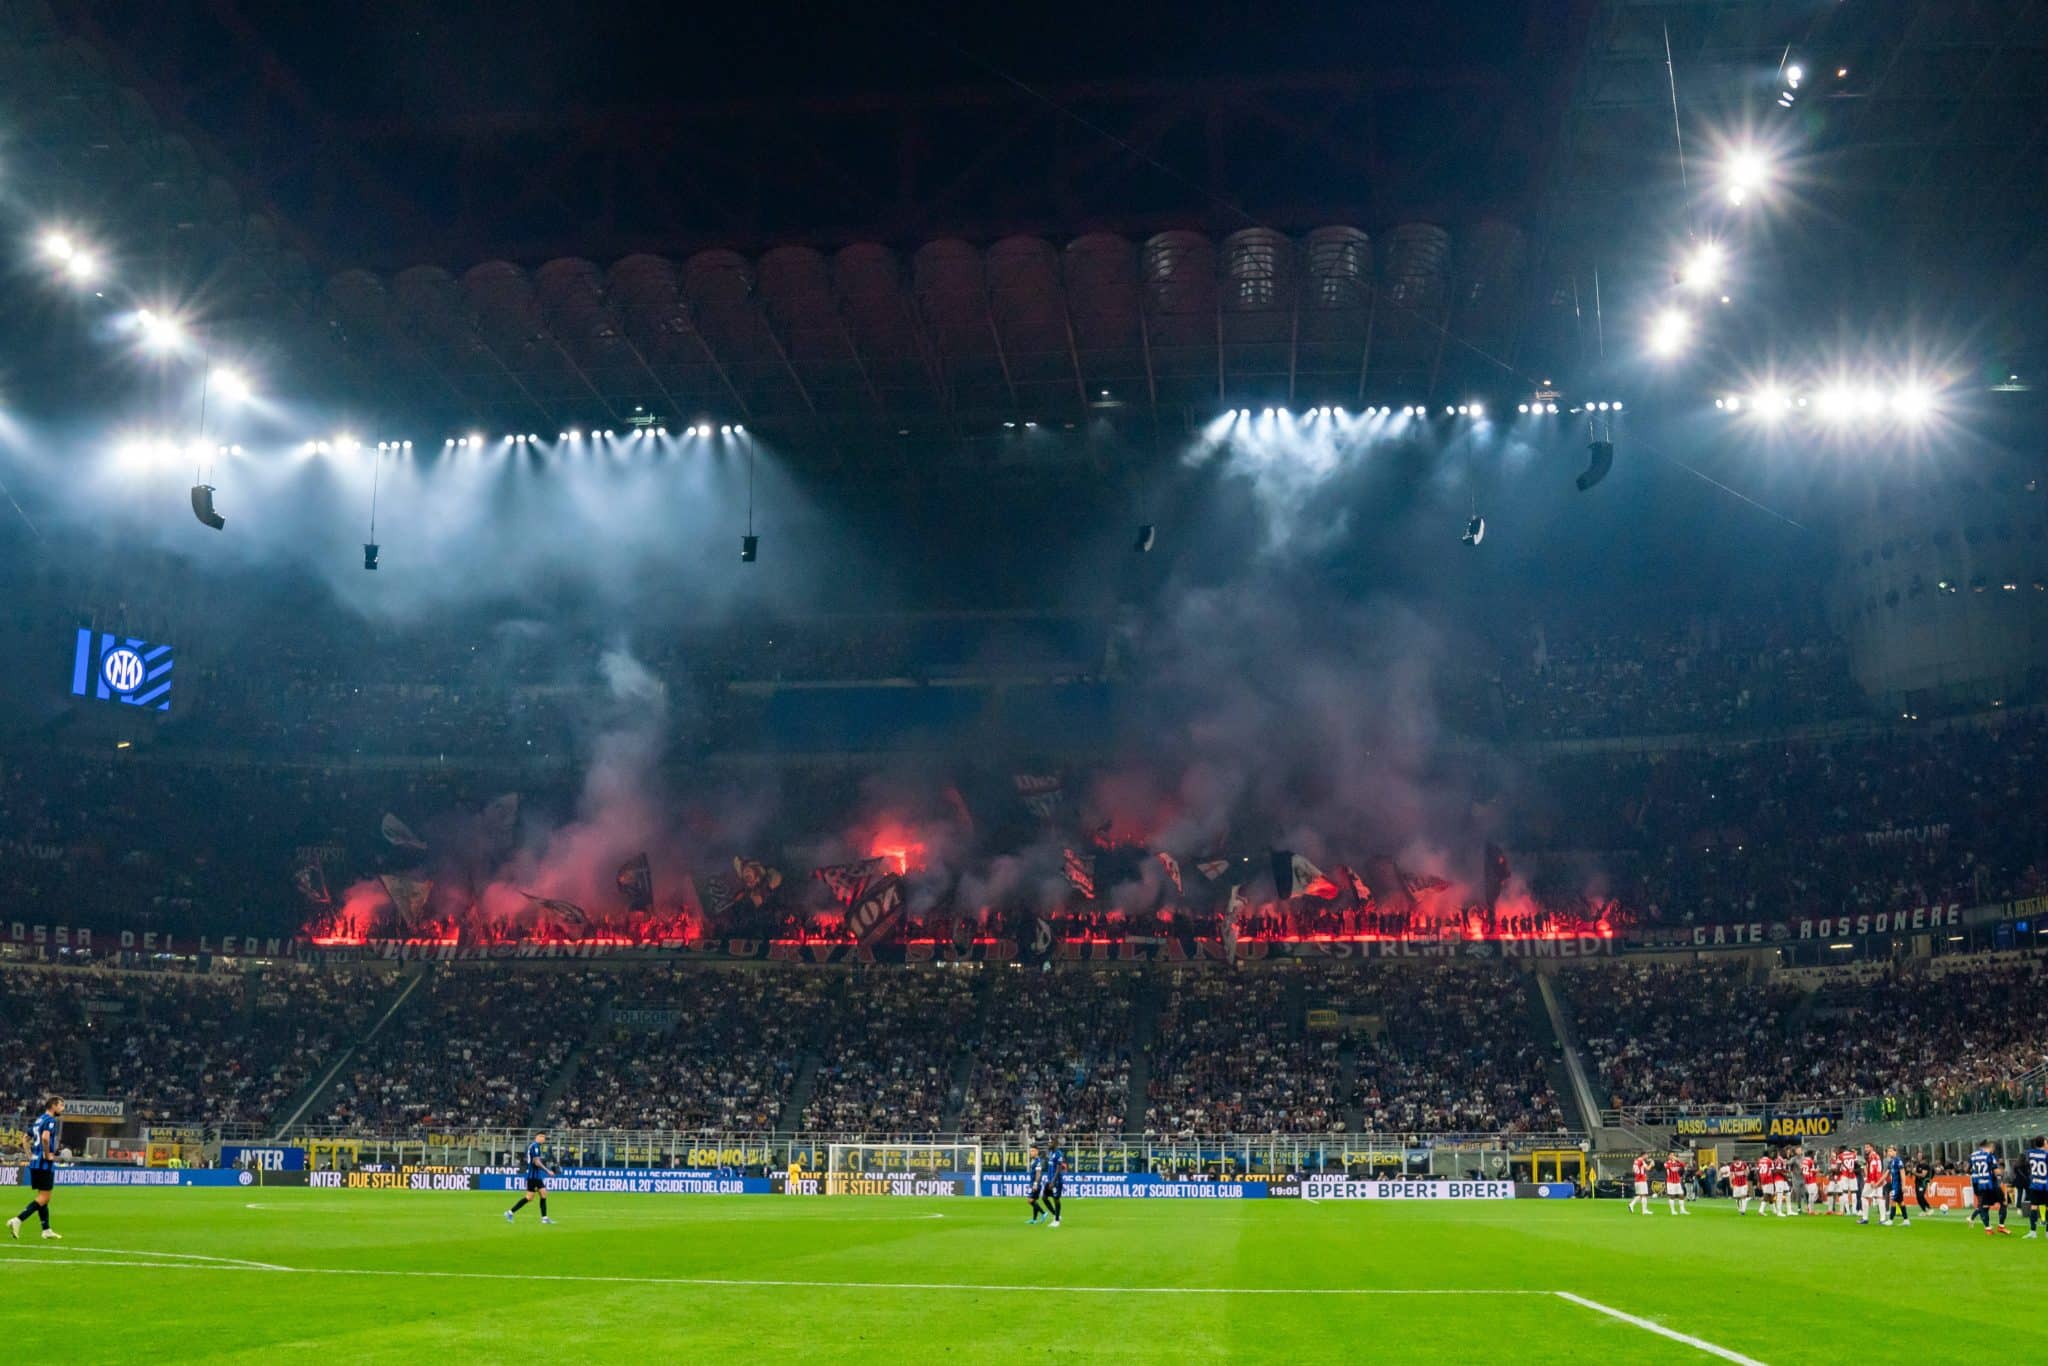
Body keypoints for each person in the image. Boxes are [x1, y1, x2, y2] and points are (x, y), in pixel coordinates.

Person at [7, 1097, 64, 1241]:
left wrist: (30, 1156)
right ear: (53, 1106)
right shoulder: (51, 1121)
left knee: (42, 1198)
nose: (62, 1108)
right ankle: (18, 1220)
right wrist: (47, 1155)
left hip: (35, 1163)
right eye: (61, 1105)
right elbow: (45, 1138)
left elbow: (25, 1138)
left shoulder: (39, 1120)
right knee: (45, 1197)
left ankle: (46, 1230)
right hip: (44, 1164)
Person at [505, 1132, 555, 1225]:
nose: (543, 1139)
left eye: (544, 1137)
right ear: (537, 1137)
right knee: (535, 1196)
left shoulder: (536, 1146)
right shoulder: (535, 1146)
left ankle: (510, 1213)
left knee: (536, 1196)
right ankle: (544, 1218)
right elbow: (536, 1162)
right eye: (541, 1136)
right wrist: (547, 1171)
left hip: (534, 1176)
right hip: (533, 1176)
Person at [1968, 1139, 2009, 1235]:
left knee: (1984, 1206)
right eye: (1992, 1148)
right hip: (1991, 1184)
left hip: (1979, 1184)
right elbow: (1996, 1171)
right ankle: (2001, 1227)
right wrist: (2002, 1172)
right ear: (1989, 1147)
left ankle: (1988, 1229)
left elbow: (1968, 1169)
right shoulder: (1989, 1156)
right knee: (2003, 1202)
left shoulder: (1973, 1156)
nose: (1993, 1150)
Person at [2022, 1136, 2048, 1239]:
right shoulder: (2046, 1154)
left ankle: (2033, 1231)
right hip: (2045, 1185)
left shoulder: (2030, 1153)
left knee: (2034, 1206)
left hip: (2034, 1184)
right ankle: (2047, 1233)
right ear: (2044, 1143)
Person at [1042, 1142, 1067, 1228]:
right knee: (1044, 1197)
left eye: (1050, 1143)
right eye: (1048, 1143)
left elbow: (1058, 1168)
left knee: (1056, 1199)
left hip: (1056, 1181)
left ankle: (1056, 1221)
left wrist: (1053, 1181)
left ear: (1055, 1143)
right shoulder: (1051, 1153)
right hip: (1049, 1180)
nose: (1048, 1144)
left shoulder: (1058, 1153)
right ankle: (1056, 1215)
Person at [1885, 1146, 1910, 1228]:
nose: (1889, 1153)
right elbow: (1887, 1173)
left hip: (1898, 1185)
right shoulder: (1891, 1161)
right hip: (1894, 1185)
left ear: (1895, 1152)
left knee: (1892, 1200)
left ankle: (1891, 1220)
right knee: (1901, 1202)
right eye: (1888, 1151)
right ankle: (1906, 1220)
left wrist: (1903, 1185)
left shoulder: (1898, 1160)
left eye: (1891, 1151)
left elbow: (1903, 1173)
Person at [1025, 1145, 1047, 1225]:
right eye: (1031, 1151)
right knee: (1034, 1201)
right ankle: (1034, 1220)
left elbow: (1038, 1173)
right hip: (1034, 1183)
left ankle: (1043, 1213)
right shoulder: (1033, 1160)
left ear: (1037, 1152)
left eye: (1033, 1151)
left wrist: (1035, 1184)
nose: (1031, 1152)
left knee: (1030, 1200)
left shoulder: (1038, 1161)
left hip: (1036, 1184)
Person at [1664, 1151, 1689, 1216]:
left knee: (1681, 1195)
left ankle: (1682, 1210)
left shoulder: (1677, 1162)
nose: (1673, 1156)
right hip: (1670, 1182)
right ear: (1668, 1156)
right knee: (1672, 1196)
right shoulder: (1666, 1163)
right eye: (1671, 1155)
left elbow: (1683, 1165)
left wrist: (1677, 1160)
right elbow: (1669, 1168)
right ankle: (1673, 1210)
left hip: (1677, 1181)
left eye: (1673, 1155)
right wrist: (1673, 1162)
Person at [1799, 1148, 1821, 1215]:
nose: (1814, 1155)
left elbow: (1801, 1169)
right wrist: (1817, 1170)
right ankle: (1810, 1210)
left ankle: (1810, 1208)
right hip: (1811, 1179)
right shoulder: (1811, 1161)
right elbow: (1812, 1171)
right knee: (1814, 1194)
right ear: (1811, 1154)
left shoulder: (1803, 1161)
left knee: (1811, 1194)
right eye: (1813, 1154)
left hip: (1805, 1179)